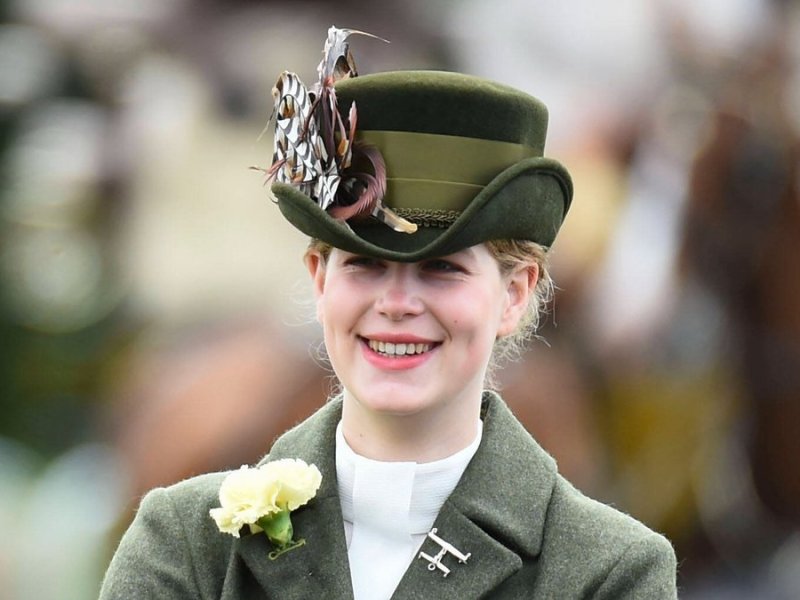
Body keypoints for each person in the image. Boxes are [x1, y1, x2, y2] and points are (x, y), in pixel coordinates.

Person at [100, 28, 677, 599]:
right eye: (364, 265)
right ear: (319, 279)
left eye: (443, 268)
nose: (396, 304)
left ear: (515, 293)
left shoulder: (609, 571)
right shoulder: (182, 542)